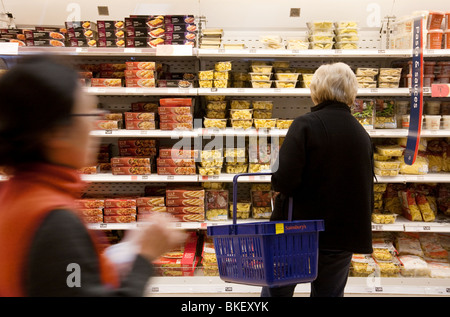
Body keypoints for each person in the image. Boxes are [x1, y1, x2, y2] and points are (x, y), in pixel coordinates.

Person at [0, 56, 186, 297]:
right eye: (88, 115)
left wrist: (117, 257)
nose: (96, 125)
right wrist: (144, 257)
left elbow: (69, 282)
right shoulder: (55, 221)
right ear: (57, 132)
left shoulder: (14, 195)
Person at [262, 62, 374, 297]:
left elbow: (285, 181)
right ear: (352, 92)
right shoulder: (361, 132)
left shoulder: (305, 124)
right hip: (342, 234)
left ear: (316, 90)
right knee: (329, 294)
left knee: (277, 292)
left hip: (299, 232)